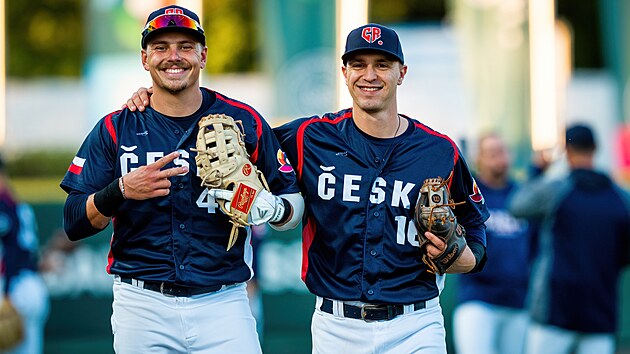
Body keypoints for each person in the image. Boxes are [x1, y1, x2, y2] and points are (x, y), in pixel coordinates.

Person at [127, 23, 489, 353]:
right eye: (359, 65)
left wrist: (466, 258)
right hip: (337, 327)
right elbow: (229, 134)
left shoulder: (439, 150)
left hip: (417, 324)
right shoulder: (308, 137)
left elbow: (475, 224)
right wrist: (158, 97)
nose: (370, 75)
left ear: (401, 73)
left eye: (382, 64)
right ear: (344, 73)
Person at [60, 5, 303, 354]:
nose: (174, 56)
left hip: (224, 303)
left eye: (186, 46)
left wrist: (271, 208)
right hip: (141, 304)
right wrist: (123, 189)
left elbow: (293, 205)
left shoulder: (243, 120)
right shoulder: (117, 126)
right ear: (145, 59)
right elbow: (73, 221)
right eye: (161, 47)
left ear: (203, 56)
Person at [509, 123, 630, 354]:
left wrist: (538, 169)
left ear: (567, 151)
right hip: (601, 312)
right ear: (596, 147)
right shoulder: (620, 197)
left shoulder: (556, 190)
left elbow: (516, 205)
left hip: (555, 312)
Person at [452, 133, 533, 354]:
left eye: (503, 151)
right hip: (478, 299)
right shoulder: (469, 195)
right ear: (479, 159)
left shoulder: (522, 194)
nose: (499, 158)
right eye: (492, 153)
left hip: (517, 301)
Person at [0, 157, 50, 354]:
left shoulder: (5, 206)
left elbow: (11, 254)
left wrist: (7, 294)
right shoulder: (19, 206)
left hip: (14, 290)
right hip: (31, 285)